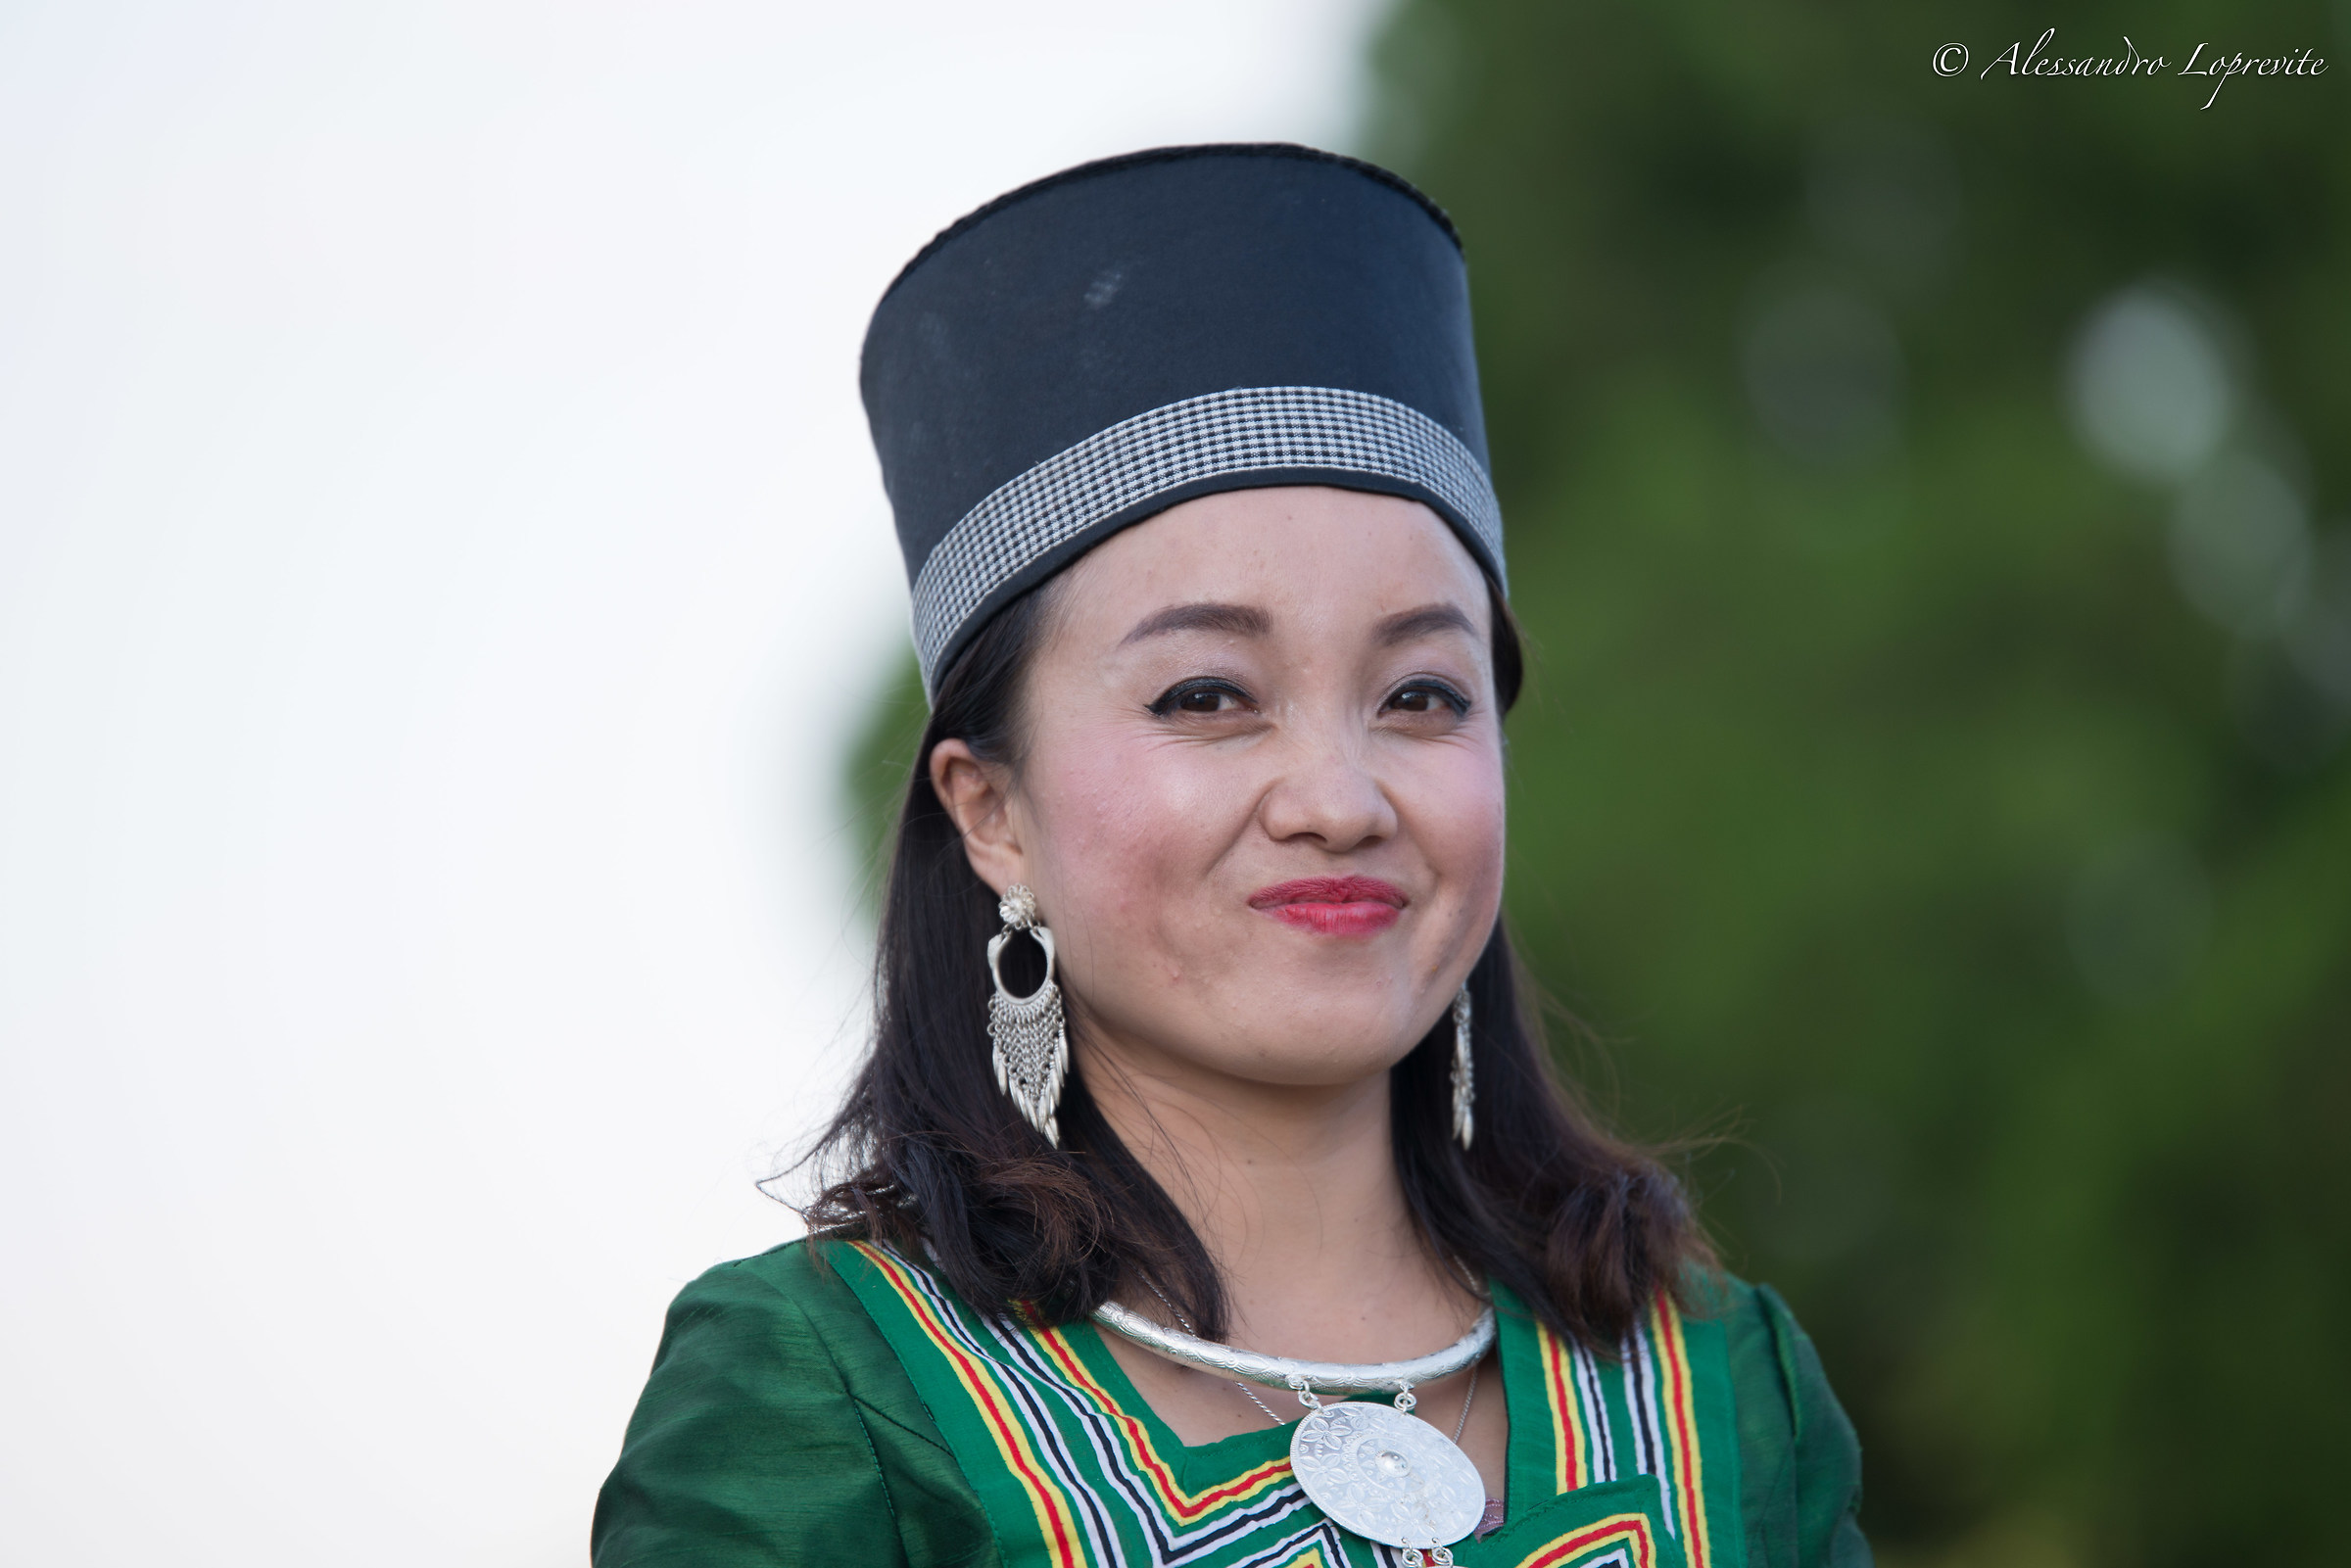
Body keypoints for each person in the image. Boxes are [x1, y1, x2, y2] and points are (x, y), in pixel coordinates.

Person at [592, 143, 1870, 1568]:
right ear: (988, 807)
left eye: (1421, 695)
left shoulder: (1721, 1395)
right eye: (1208, 695)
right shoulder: (828, 1408)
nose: (1339, 796)